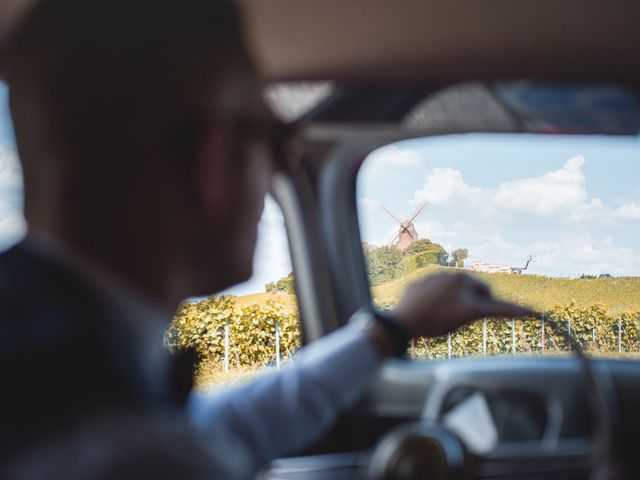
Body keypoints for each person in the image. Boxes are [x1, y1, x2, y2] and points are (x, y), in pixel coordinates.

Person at [0, 0, 530, 477]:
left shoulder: (53, 365)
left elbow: (213, 428)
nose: (280, 162)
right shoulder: (130, 455)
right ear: (214, 159)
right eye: (275, 137)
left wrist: (389, 331)